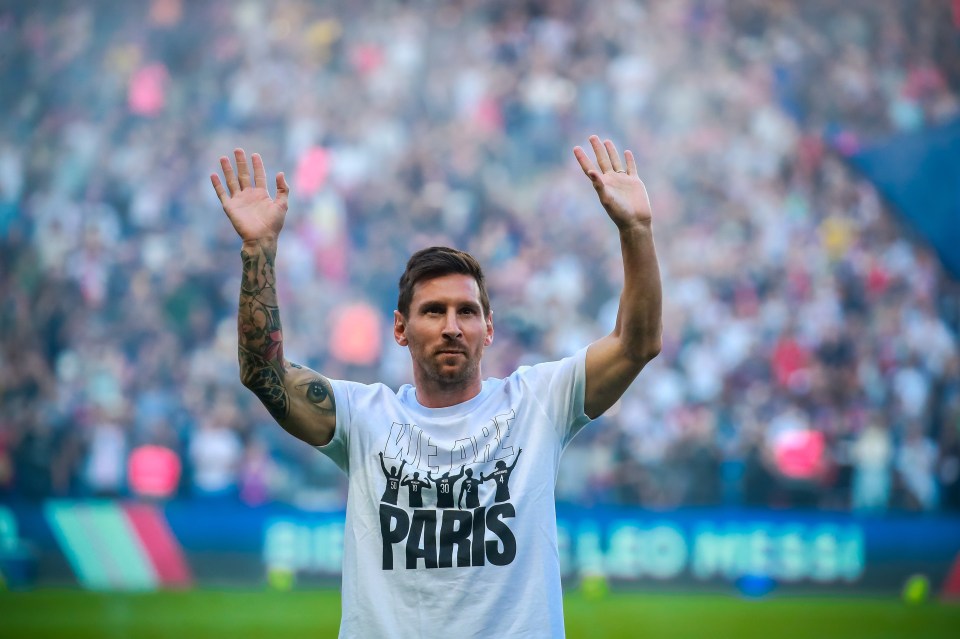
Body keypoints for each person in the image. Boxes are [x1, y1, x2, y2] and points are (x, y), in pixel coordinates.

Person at [210, 135, 662, 638]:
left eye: (467, 312)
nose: (452, 326)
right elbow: (263, 373)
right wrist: (258, 250)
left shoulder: (538, 401)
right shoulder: (363, 416)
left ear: (489, 329)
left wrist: (637, 230)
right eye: (433, 311)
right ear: (400, 329)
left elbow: (636, 344)